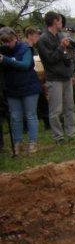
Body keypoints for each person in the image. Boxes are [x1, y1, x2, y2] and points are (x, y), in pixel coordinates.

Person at [0, 27, 42, 155]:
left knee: (30, 115)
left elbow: (25, 65)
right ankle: (18, 142)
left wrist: (6, 60)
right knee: (15, 117)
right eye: (4, 42)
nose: (7, 44)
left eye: (9, 41)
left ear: (15, 38)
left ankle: (33, 142)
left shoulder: (25, 48)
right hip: (12, 88)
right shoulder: (3, 51)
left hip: (29, 86)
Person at [37, 11, 75, 143]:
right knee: (56, 110)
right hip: (54, 79)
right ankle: (58, 136)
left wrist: (70, 73)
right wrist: (61, 47)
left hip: (66, 76)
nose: (61, 24)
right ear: (55, 21)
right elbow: (50, 59)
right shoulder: (43, 39)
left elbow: (68, 55)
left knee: (69, 107)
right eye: (60, 21)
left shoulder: (60, 36)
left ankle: (71, 133)